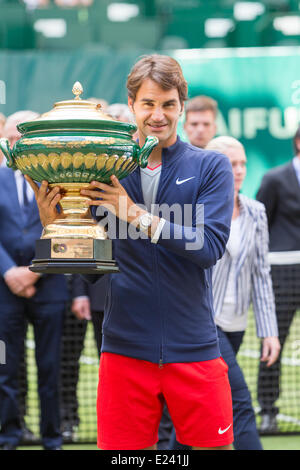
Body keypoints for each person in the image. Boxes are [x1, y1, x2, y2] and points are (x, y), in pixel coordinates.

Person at [27, 54, 235, 451]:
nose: (158, 115)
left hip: (193, 346)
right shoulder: (106, 170)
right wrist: (56, 225)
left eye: (168, 104)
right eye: (148, 103)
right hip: (124, 350)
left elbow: (207, 247)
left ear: (181, 106)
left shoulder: (211, 167)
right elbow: (90, 272)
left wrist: (136, 215)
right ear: (133, 106)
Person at [169, 136, 281, 451]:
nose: (240, 170)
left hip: (236, 324)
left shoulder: (256, 211)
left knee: (196, 410)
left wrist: (268, 332)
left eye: (243, 163)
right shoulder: (190, 210)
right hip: (203, 321)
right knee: (238, 401)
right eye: (232, 164)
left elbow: (261, 274)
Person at [0, 111, 69, 450]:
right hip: (4, 290)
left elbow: (66, 231)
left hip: (50, 287)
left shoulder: (61, 180)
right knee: (5, 367)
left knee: (50, 368)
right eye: (11, 139)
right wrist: (9, 271)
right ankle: (10, 435)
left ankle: (52, 438)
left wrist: (34, 271)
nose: (16, 145)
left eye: (22, 140)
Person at [255, 125, 300, 433]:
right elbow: (262, 226)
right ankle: (268, 409)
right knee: (274, 340)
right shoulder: (273, 179)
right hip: (282, 276)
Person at [60, 274, 108, 442]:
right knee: (66, 364)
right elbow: (84, 249)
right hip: (88, 294)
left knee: (117, 370)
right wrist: (79, 292)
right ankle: (67, 422)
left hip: (121, 295)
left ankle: (119, 425)